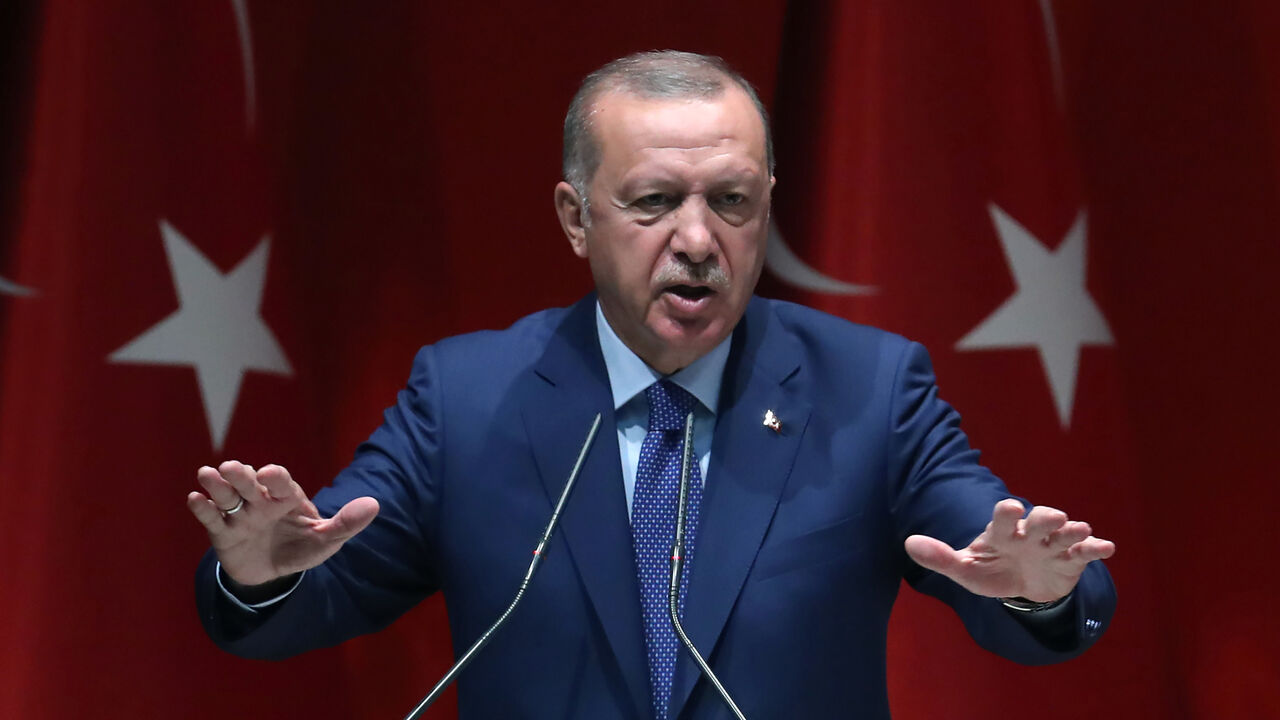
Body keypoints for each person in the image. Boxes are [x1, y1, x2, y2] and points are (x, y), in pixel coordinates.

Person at [188, 51, 1116, 719]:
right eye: (655, 201)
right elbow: (320, 586)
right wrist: (261, 578)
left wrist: (1035, 589)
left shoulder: (870, 390)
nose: (700, 240)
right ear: (576, 217)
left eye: (732, 200)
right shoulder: (465, 396)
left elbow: (986, 551)